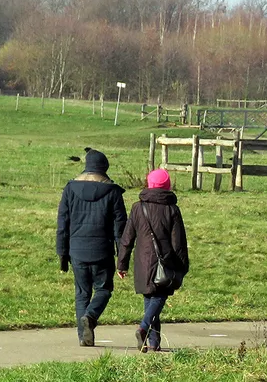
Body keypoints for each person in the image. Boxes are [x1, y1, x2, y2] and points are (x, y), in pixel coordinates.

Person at [56, 148, 127, 346]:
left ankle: (83, 337)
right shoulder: (113, 192)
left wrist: (62, 253)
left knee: (81, 294)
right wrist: (123, 259)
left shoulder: (70, 189)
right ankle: (91, 316)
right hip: (102, 252)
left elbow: (63, 223)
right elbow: (120, 230)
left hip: (76, 251)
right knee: (103, 289)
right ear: (104, 168)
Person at [118, 169, 189, 352]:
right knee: (158, 296)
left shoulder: (137, 207)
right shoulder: (172, 209)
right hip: (165, 262)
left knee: (150, 297)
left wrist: (122, 264)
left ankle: (154, 342)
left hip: (142, 261)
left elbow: (127, 238)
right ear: (167, 185)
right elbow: (178, 242)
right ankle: (143, 327)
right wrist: (182, 266)